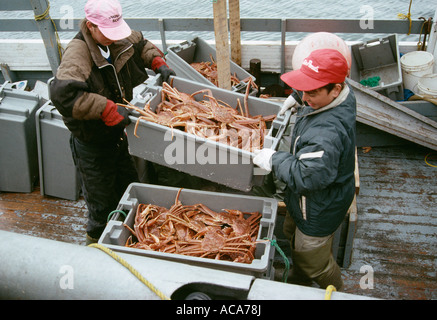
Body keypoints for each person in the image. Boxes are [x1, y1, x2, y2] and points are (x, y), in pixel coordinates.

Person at [50, 0, 175, 245]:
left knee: (129, 187)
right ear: (91, 26)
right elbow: (63, 95)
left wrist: (157, 62)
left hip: (118, 137)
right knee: (101, 204)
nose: (113, 38)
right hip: (92, 143)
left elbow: (142, 45)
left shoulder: (118, 38)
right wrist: (106, 108)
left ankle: (131, 241)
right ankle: (95, 246)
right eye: (107, 33)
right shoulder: (78, 54)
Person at [253, 48, 356, 290]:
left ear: (335, 90)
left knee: (313, 260)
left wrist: (274, 159)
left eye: (312, 91)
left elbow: (307, 177)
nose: (306, 95)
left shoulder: (326, 134)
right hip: (305, 201)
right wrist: (299, 97)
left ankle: (337, 291)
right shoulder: (342, 92)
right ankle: (300, 279)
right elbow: (316, 86)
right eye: (304, 87)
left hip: (320, 205)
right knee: (291, 232)